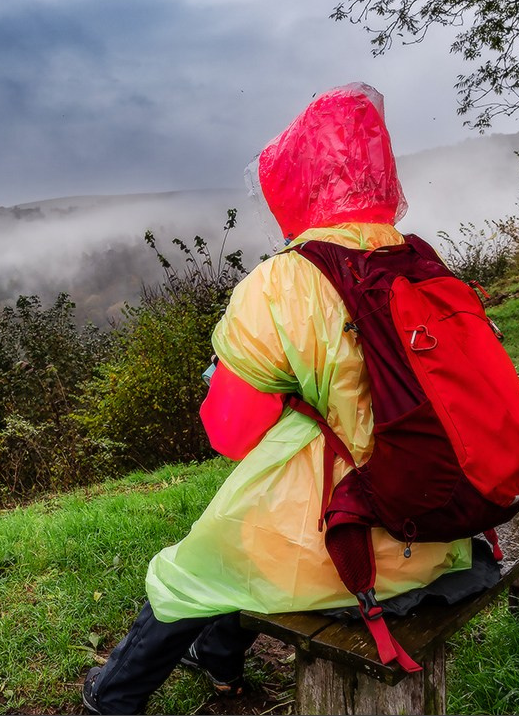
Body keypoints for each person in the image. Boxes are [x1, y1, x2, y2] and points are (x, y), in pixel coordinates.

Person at [82, 83, 475, 715]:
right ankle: (218, 661)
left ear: (293, 183)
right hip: (441, 527)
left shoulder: (283, 283)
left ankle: (114, 697)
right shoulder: (420, 261)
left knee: (198, 562)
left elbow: (230, 435)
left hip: (351, 544)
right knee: (251, 535)